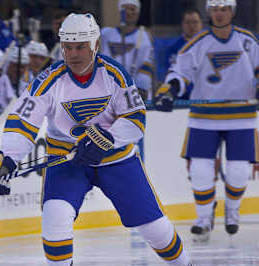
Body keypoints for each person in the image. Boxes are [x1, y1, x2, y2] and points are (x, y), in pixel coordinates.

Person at [0, 13, 215, 266]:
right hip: (66, 158)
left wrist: (106, 138)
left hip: (116, 159)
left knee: (154, 226)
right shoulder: (48, 80)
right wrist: (7, 160)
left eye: (80, 47)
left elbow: (136, 119)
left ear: (94, 44)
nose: (73, 54)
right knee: (56, 214)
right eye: (67, 47)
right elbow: (22, 121)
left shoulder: (114, 74)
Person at [154, 0, 259, 241]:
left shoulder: (247, 40)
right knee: (200, 171)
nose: (220, 14)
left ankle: (232, 212)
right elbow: (179, 73)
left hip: (241, 117)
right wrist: (170, 90)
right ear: (209, 11)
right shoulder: (198, 44)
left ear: (231, 11)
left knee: (239, 172)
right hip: (204, 118)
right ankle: (203, 218)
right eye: (215, 9)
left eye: (224, 9)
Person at [100, 0, 154, 102]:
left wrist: (141, 88)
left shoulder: (144, 36)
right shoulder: (106, 34)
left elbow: (147, 64)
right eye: (125, 8)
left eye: (132, 9)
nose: (129, 12)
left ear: (138, 12)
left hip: (137, 95)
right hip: (111, 94)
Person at [163, 8, 203, 99]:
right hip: (183, 100)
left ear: (201, 24)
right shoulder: (174, 48)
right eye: (188, 22)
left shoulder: (209, 45)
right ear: (182, 24)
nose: (191, 26)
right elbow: (173, 75)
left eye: (195, 22)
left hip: (207, 96)